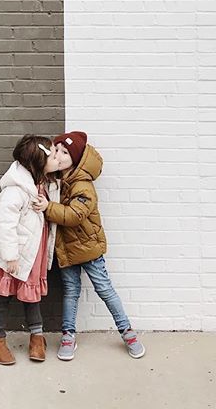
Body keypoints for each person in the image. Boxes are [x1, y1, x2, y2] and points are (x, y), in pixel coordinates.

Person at [32, 130, 145, 360]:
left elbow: (75, 215)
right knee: (71, 292)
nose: (60, 155)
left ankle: (127, 332)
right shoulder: (58, 180)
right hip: (66, 248)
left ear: (76, 158)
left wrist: (47, 208)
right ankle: (68, 334)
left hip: (88, 247)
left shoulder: (82, 184)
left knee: (104, 289)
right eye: (58, 150)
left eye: (66, 152)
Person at [0, 134, 60, 365]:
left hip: (33, 253)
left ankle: (37, 337)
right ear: (39, 160)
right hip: (12, 256)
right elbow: (5, 225)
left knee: (32, 297)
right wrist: (10, 256)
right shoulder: (15, 191)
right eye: (52, 154)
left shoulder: (43, 184)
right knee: (1, 296)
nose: (56, 157)